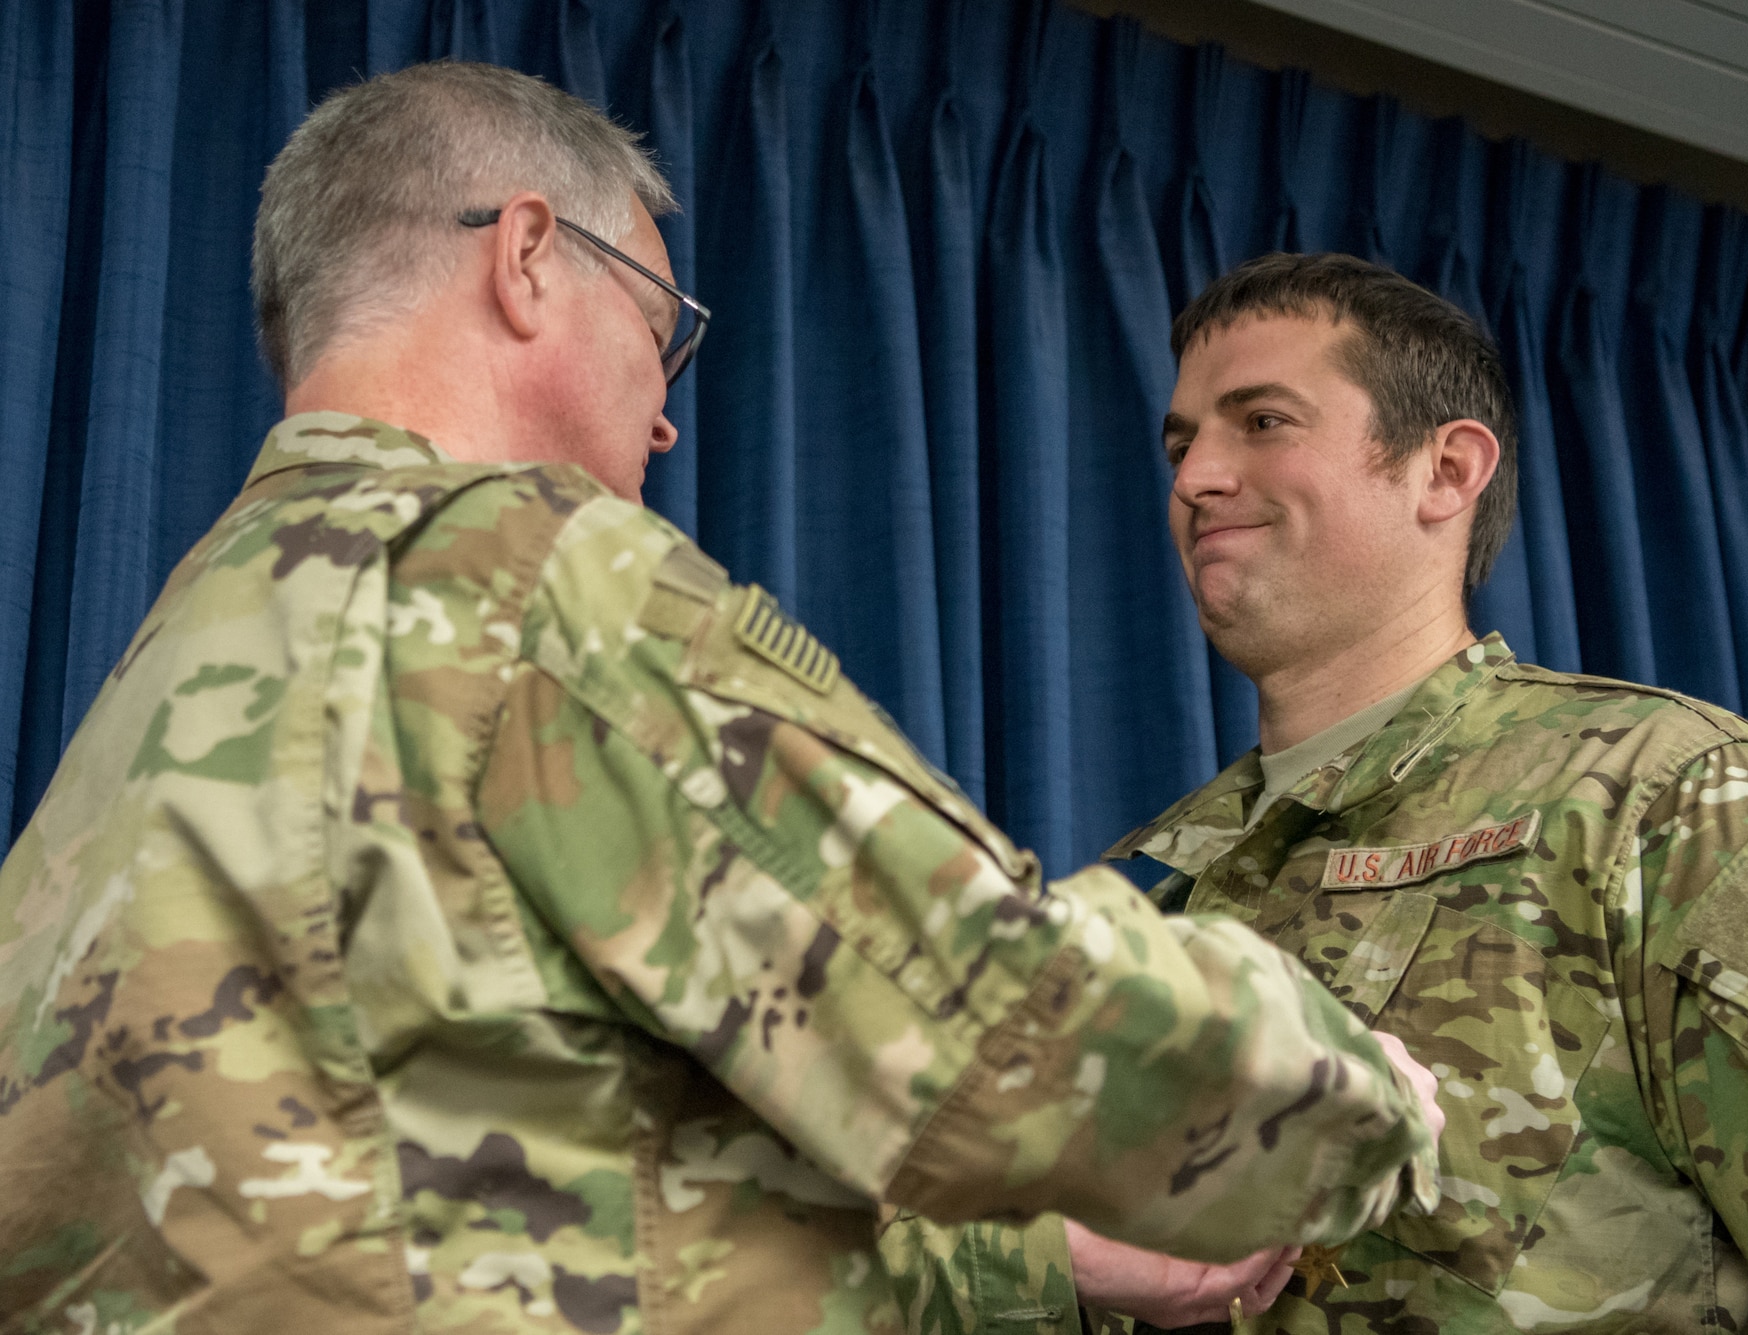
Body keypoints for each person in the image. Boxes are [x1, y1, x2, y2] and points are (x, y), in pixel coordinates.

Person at [0, 68, 1449, 1334]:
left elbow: (493, 1170)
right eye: (660, 325)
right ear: (525, 258)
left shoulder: (174, 676)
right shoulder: (514, 571)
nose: (669, 409)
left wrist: (1030, 1251)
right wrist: (1357, 1095)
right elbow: (992, 1006)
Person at [906, 250, 1748, 1333]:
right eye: (1182, 442)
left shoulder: (1666, 797)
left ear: (1445, 471)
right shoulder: (1139, 901)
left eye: (1263, 422)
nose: (1194, 478)